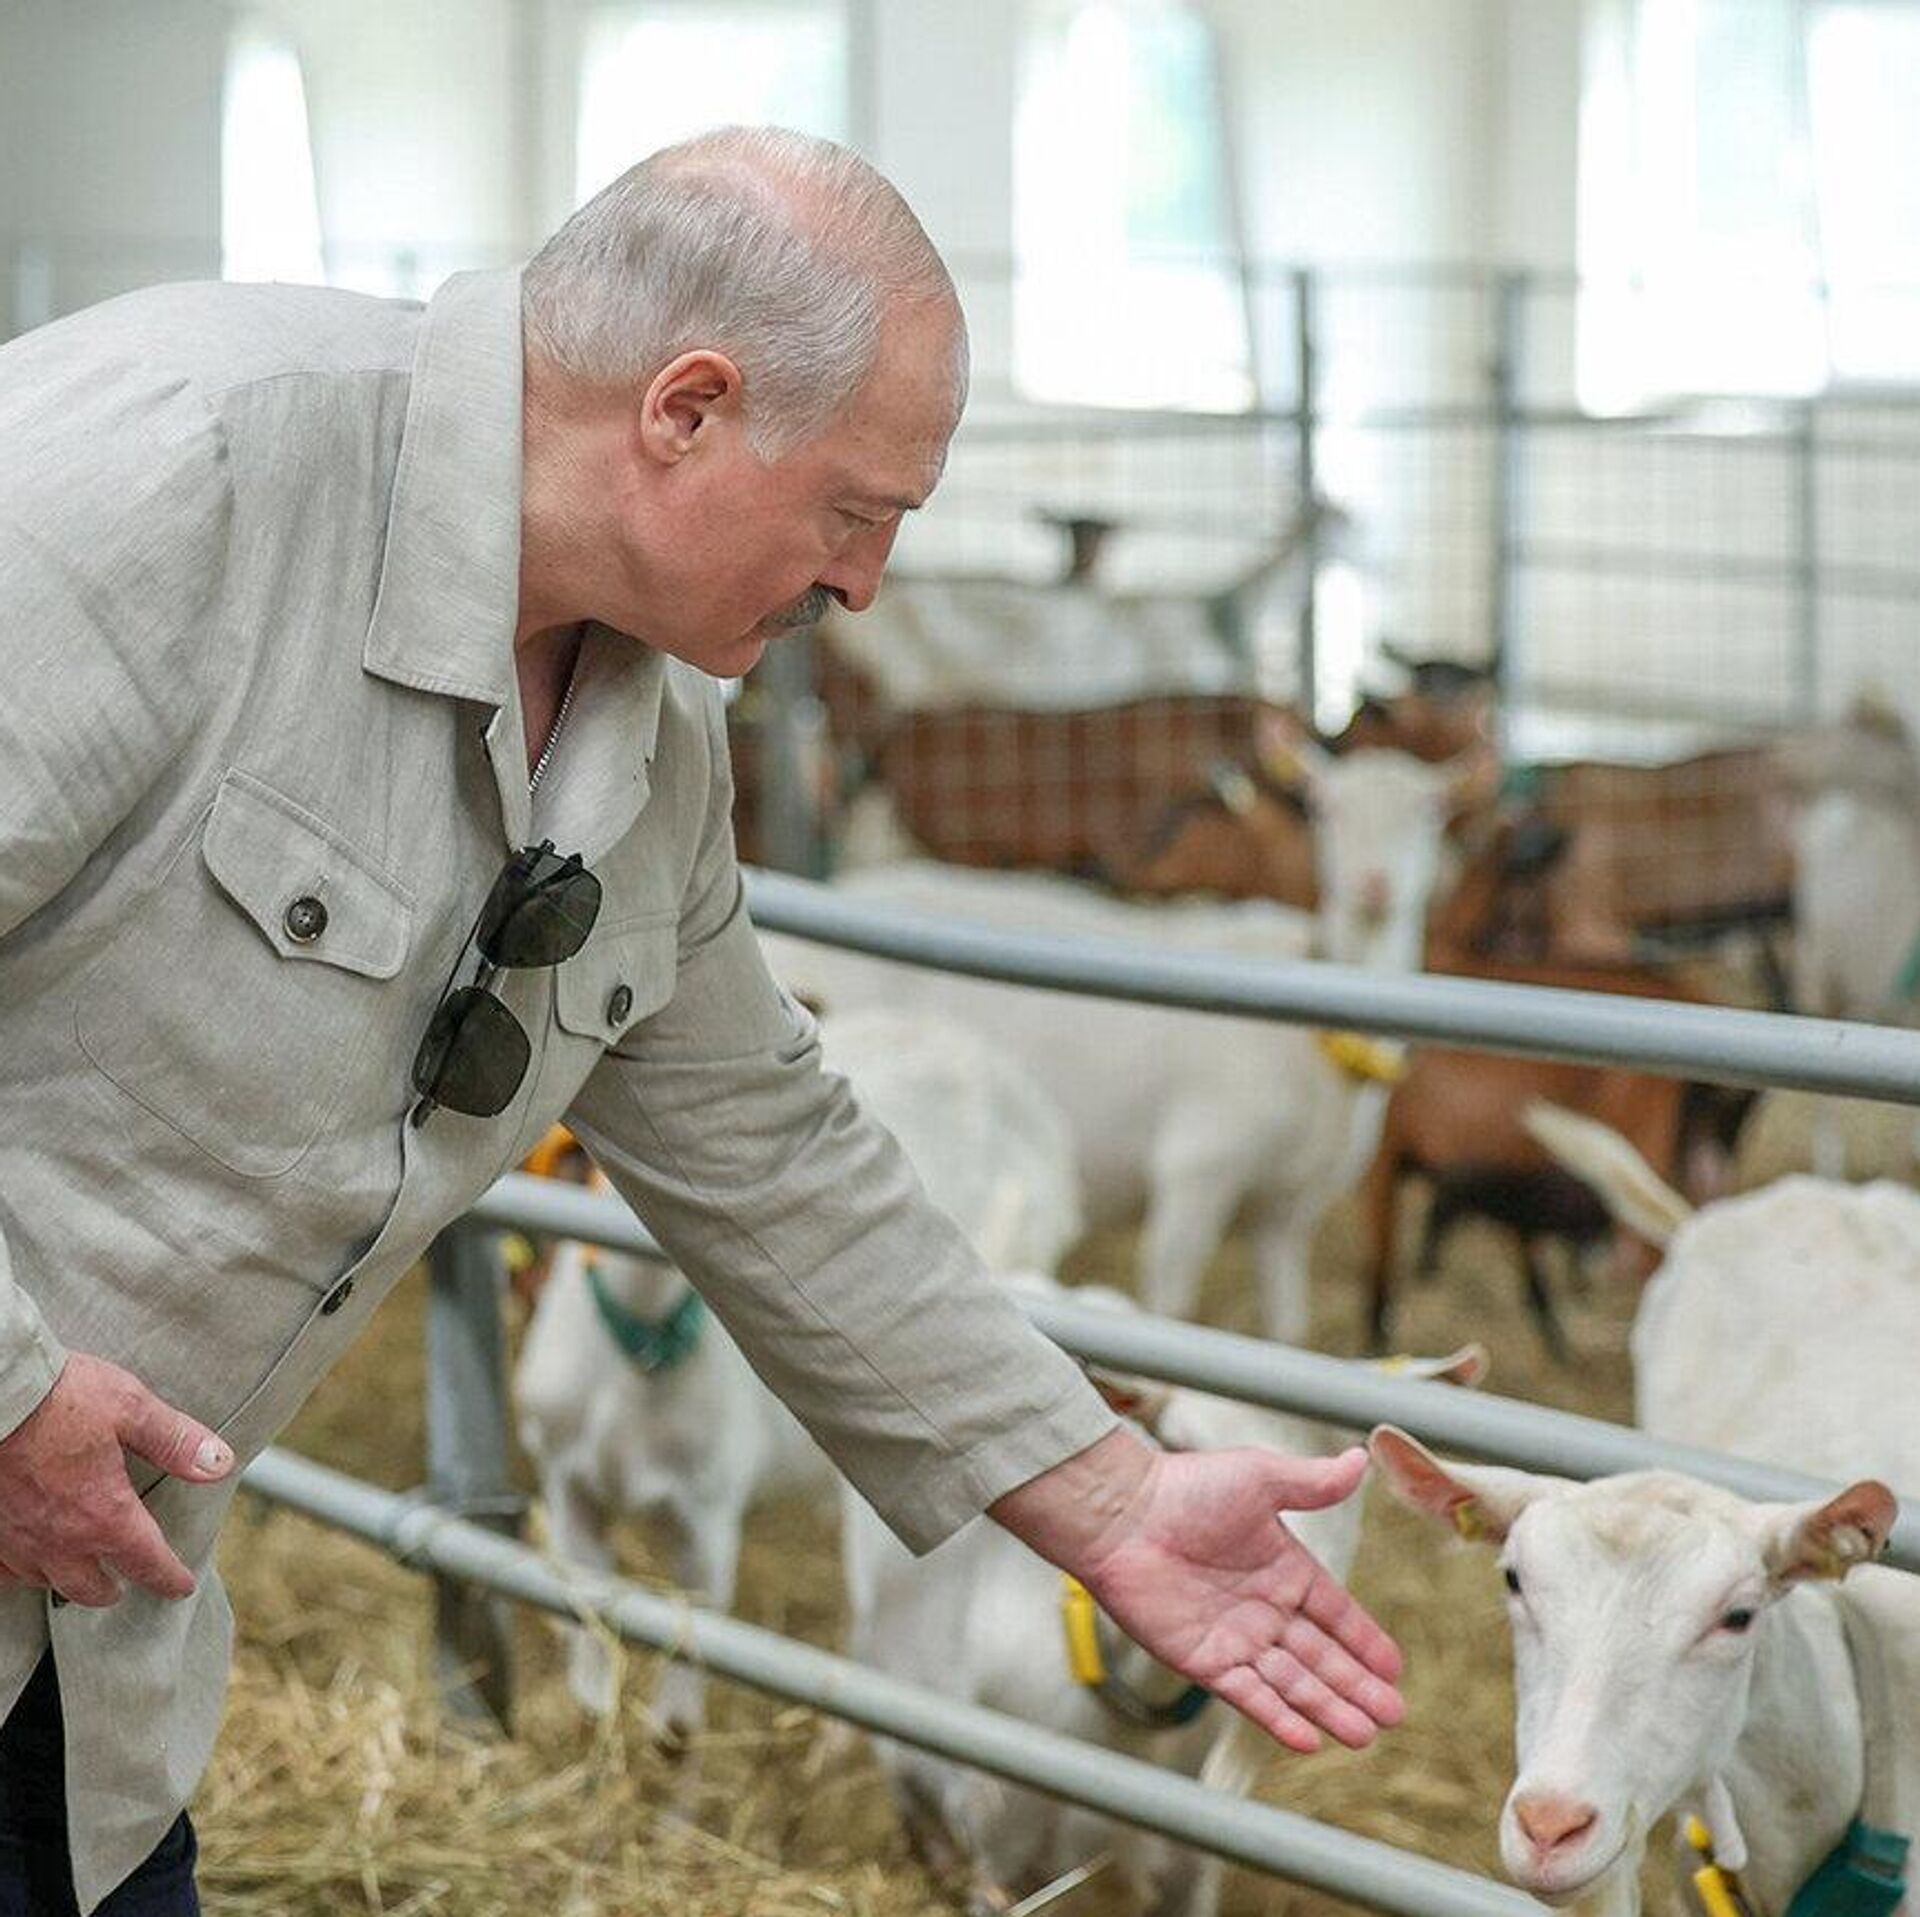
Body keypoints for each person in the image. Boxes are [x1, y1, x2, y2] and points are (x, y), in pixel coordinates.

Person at [0, 126, 1404, 1914]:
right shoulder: (168, 475)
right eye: (856, 512)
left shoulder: (649, 737)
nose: (867, 586)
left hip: (88, 1662)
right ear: (686, 410)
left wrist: (1110, 1495)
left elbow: (770, 1144)